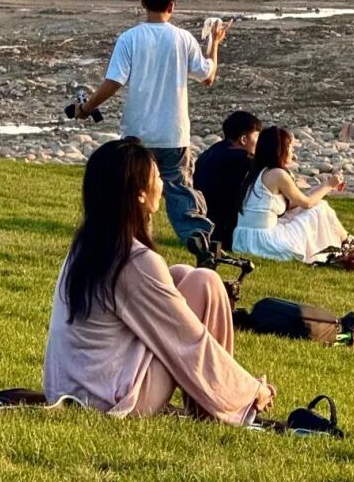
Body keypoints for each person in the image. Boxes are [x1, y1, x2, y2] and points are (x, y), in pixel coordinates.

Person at [43, 137, 275, 422]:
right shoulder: (133, 261)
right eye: (157, 177)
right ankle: (220, 406)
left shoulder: (88, 247)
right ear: (140, 194)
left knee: (181, 274)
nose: (163, 184)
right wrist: (251, 391)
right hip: (110, 400)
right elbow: (190, 341)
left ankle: (216, 400)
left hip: (71, 387)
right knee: (206, 283)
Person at [73, 0, 225, 247]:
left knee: (135, 190)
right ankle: (198, 238)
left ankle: (137, 240)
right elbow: (208, 76)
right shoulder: (183, 39)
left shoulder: (129, 39)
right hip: (173, 133)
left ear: (143, 3)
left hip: (137, 132)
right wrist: (214, 42)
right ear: (172, 6)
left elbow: (113, 82)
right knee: (180, 191)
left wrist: (86, 108)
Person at [231, 125, 351, 264]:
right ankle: (348, 243)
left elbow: (298, 201)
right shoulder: (278, 174)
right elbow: (307, 203)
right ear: (280, 149)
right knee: (321, 207)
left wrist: (327, 187)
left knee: (311, 207)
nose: (293, 151)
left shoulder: (256, 172)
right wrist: (329, 185)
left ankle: (347, 242)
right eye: (290, 147)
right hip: (264, 241)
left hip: (244, 239)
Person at [193, 110, 263, 251]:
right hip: (226, 232)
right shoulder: (243, 160)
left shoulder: (210, 153)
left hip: (205, 224)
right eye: (257, 137)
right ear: (243, 139)